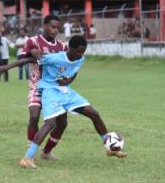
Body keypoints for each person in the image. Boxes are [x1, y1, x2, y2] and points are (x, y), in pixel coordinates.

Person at [18, 35, 127, 169]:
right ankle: (27, 158)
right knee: (51, 123)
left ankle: (109, 147)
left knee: (94, 113)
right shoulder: (55, 57)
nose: (81, 54)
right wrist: (5, 68)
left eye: (83, 51)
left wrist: (69, 80)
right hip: (50, 91)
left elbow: (74, 70)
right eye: (79, 51)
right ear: (70, 48)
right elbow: (29, 59)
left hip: (66, 91)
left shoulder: (80, 58)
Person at [0, 15, 74, 160]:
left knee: (62, 123)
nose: (55, 30)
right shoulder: (33, 41)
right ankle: (31, 152)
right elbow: (22, 60)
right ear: (45, 25)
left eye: (57, 28)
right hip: (36, 86)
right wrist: (30, 53)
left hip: (54, 89)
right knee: (34, 116)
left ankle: (47, 152)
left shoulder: (62, 46)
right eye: (52, 27)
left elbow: (67, 65)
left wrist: (67, 77)